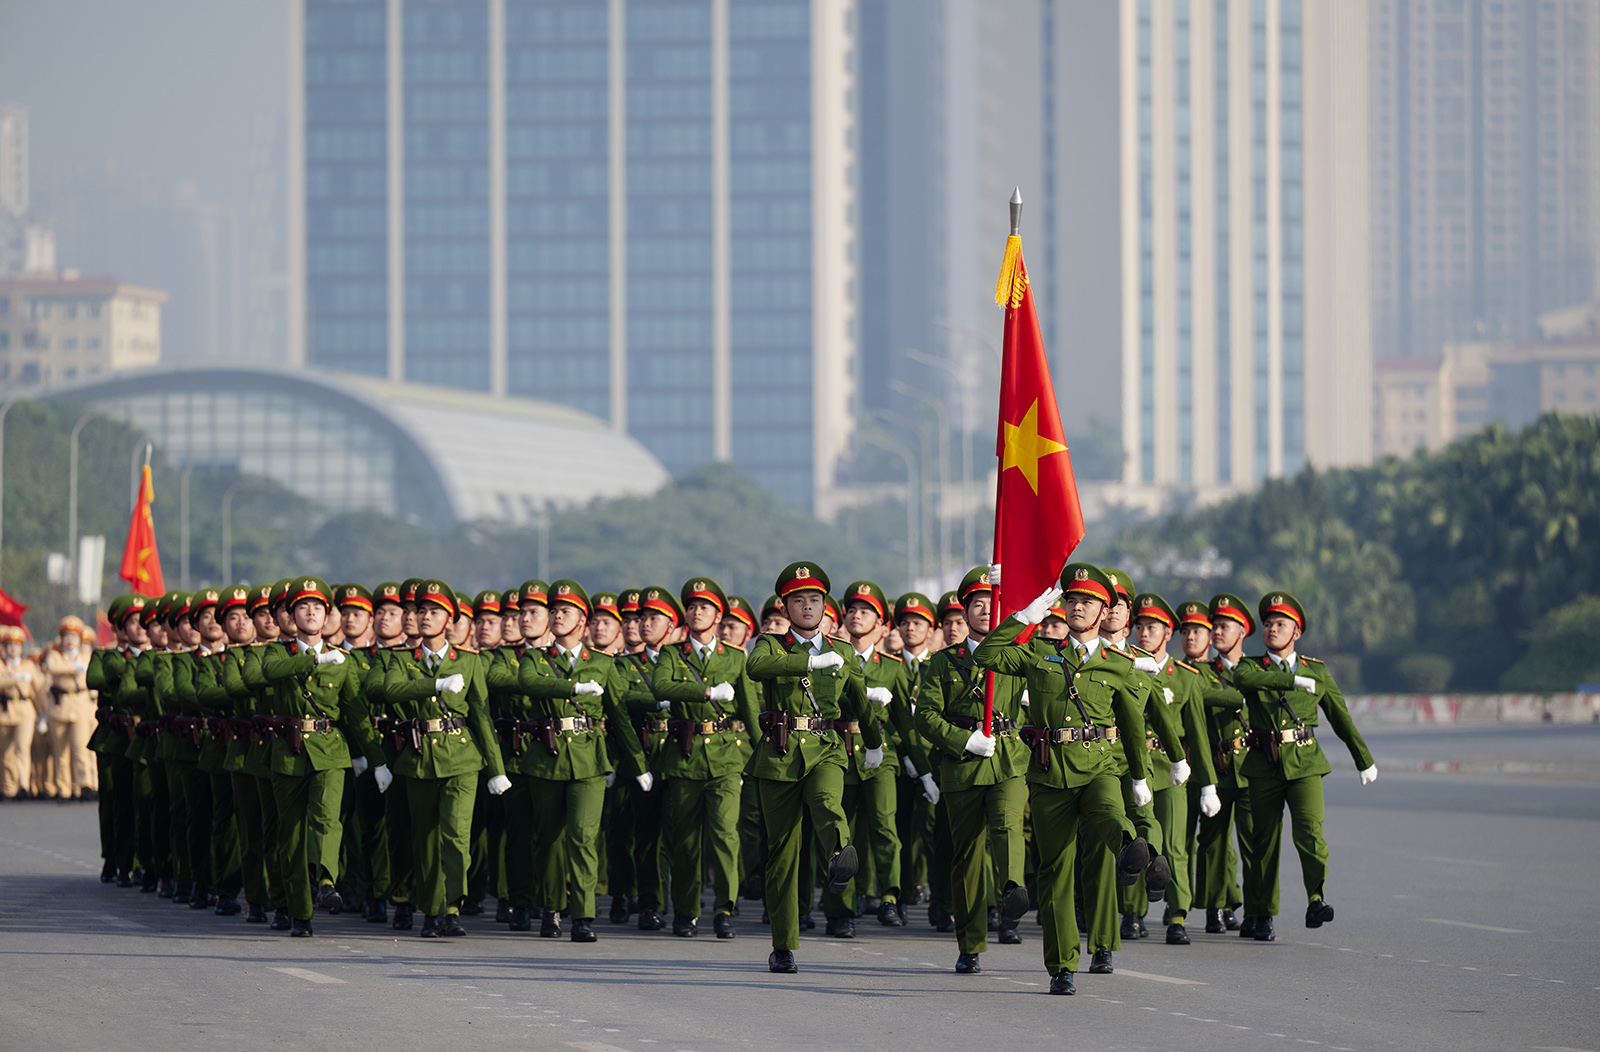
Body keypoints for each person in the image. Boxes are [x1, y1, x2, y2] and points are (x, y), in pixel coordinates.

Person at [971, 563, 1158, 996]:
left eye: (1088, 602)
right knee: (1055, 872)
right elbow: (986, 655)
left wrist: (1139, 777)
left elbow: (1132, 724)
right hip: (1049, 774)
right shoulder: (1040, 651)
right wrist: (1025, 616)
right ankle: (1061, 967)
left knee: (1109, 811)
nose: (1077, 607)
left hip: (1098, 766)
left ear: (1104, 612)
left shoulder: (1120, 664)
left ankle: (1129, 848)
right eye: (1072, 600)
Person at [745, 562, 879, 974]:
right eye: (798, 600)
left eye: (815, 599)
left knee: (826, 799)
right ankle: (783, 945)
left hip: (825, 748)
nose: (807, 606)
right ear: (785, 606)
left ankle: (839, 855)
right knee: (783, 853)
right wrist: (806, 664)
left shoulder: (842, 652)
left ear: (825, 605)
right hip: (780, 754)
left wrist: (874, 743)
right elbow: (754, 668)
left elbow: (859, 702)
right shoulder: (771, 645)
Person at [1232, 592, 1377, 942]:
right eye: (1268, 624)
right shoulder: (1251, 667)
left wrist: (1364, 760)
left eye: (1280, 624)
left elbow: (1340, 718)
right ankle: (1261, 913)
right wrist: (1289, 681)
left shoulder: (1317, 671)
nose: (1272, 629)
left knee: (1311, 833)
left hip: (1305, 762)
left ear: (1296, 632)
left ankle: (1316, 899)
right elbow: (1244, 682)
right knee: (1263, 842)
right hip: (1263, 764)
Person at [517, 580, 651, 943]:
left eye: (566, 611)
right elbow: (529, 684)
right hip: (547, 758)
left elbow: (619, 716)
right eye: (554, 610)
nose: (558, 616)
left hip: (589, 760)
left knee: (583, 837)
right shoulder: (535, 658)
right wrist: (572, 688)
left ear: (582, 621)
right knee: (548, 839)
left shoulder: (603, 664)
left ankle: (582, 915)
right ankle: (551, 908)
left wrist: (638, 764)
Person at [260, 577, 389, 937]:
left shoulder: (342, 660)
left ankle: (327, 882)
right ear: (291, 615)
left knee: (327, 818)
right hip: (289, 751)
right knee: (291, 835)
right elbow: (269, 673)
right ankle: (299, 912)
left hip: (330, 749)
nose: (311, 612)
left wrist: (376, 759)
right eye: (303, 606)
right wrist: (314, 659)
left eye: (318, 607)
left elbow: (356, 713)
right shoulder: (277, 653)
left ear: (327, 615)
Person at [915, 567, 1028, 974]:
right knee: (968, 858)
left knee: (1007, 825)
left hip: (1007, 758)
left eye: (992, 603)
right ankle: (971, 944)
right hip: (963, 765)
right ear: (964, 613)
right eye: (977, 604)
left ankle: (1012, 889)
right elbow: (926, 716)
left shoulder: (1017, 655)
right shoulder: (943, 662)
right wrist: (962, 740)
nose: (985, 610)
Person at [384, 581, 508, 937]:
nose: (426, 617)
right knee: (424, 841)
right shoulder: (401, 659)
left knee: (455, 836)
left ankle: (452, 908)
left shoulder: (469, 661)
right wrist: (434, 685)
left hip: (461, 758)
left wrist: (496, 770)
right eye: (421, 611)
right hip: (419, 758)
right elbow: (391, 690)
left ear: (449, 620)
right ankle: (430, 910)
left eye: (435, 612)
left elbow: (481, 715)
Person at [650, 577, 761, 938]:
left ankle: (724, 908)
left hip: (726, 757)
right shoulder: (672, 653)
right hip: (685, 756)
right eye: (692, 607)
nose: (697, 612)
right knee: (686, 840)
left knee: (725, 835)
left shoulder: (736, 657)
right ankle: (686, 910)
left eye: (705, 607)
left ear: (718, 616)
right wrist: (707, 692)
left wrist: (762, 757)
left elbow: (750, 709)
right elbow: (660, 686)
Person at [823, 579, 933, 935]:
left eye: (866, 611)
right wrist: (865, 693)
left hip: (880, 755)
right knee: (840, 836)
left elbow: (905, 722)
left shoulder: (892, 666)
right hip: (838, 752)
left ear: (881, 624)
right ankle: (841, 910)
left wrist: (925, 772)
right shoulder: (830, 658)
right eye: (852, 610)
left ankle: (889, 897)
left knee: (886, 828)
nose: (857, 616)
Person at [1128, 592, 1221, 945]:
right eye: (1139, 626)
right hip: (1136, 767)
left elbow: (1197, 733)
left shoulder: (1184, 677)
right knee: (1137, 842)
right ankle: (1132, 913)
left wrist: (1208, 784)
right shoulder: (1126, 667)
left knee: (1175, 845)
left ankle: (1177, 914)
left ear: (1168, 633)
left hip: (1170, 769)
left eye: (1152, 627)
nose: (1143, 633)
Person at [1195, 592, 1256, 935]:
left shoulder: (1257, 669)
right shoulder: (1201, 671)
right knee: (1213, 843)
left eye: (1224, 627)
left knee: (1255, 843)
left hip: (1251, 767)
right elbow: (1200, 695)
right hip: (1216, 767)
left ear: (1242, 631)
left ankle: (1258, 911)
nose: (1217, 632)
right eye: (1214, 626)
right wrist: (1242, 696)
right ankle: (1215, 908)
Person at [41, 617, 97, 801]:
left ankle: (84, 785)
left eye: (74, 636)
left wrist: (73, 667)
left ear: (80, 639)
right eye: (66, 636)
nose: (70, 640)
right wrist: (74, 668)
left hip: (80, 705)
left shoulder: (86, 657)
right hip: (60, 707)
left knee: (81, 748)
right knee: (60, 752)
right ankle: (63, 789)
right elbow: (52, 667)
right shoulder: (55, 655)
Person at [0, 625, 39, 799]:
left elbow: (38, 690)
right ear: (5, 648)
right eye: (9, 645)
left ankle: (23, 785)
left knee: (22, 748)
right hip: (5, 711)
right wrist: (14, 678)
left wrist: (43, 713)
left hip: (25, 710)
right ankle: (9, 788)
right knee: (6, 752)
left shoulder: (28, 665)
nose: (13, 649)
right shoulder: (1, 666)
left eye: (16, 645)